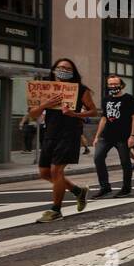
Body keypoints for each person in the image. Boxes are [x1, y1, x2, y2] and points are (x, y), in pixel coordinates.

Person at [28, 58, 98, 223]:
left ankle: (56, 210)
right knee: (44, 173)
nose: (63, 70)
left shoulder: (81, 90)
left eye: (67, 68)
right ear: (54, 70)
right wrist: (45, 104)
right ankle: (77, 191)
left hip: (70, 134)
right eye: (60, 67)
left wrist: (75, 114)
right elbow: (33, 114)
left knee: (56, 171)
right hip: (50, 133)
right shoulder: (45, 88)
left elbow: (94, 111)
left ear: (73, 72)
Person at [90, 74, 134, 199]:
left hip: (123, 137)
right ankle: (105, 187)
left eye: (115, 84)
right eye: (110, 84)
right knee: (98, 158)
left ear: (121, 85)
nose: (113, 86)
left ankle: (126, 188)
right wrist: (97, 136)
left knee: (125, 162)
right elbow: (103, 118)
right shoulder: (106, 99)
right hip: (106, 136)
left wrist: (133, 135)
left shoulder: (128, 99)